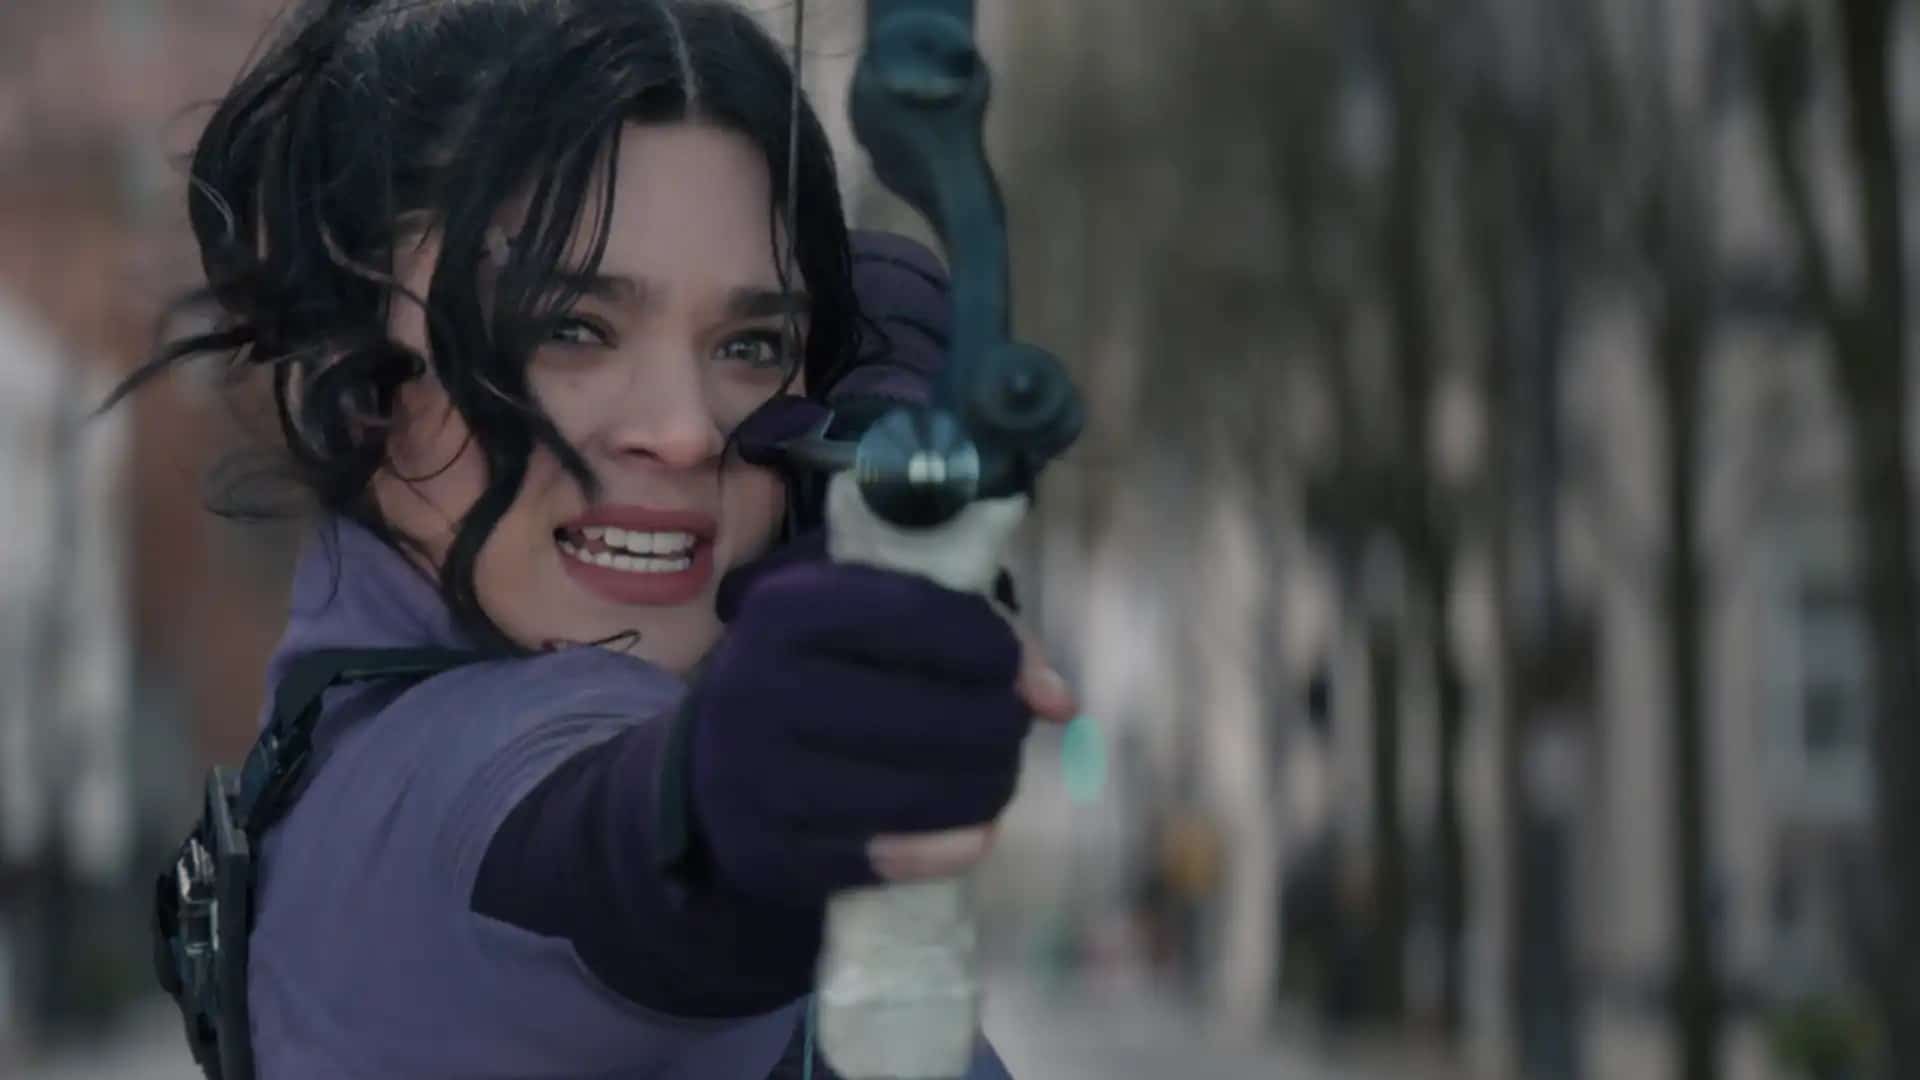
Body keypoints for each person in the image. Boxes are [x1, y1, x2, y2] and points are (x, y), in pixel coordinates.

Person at [113, 0, 1076, 1076]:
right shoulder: (438, 804)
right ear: (349, 367)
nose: (686, 429)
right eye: (568, 327)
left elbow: (886, 287)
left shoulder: (349, 735)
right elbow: (625, 850)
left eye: (751, 342)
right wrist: (754, 774)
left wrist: (875, 436)